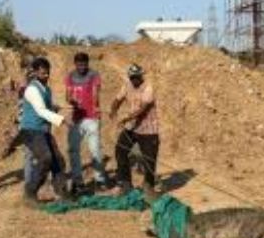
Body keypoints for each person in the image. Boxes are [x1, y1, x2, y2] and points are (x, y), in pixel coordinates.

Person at [19, 57, 71, 206]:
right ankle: (30, 192)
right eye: (42, 73)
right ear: (35, 73)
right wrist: (62, 119)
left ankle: (62, 193)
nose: (46, 76)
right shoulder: (32, 89)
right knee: (45, 158)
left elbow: (46, 107)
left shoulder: (46, 89)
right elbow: (41, 110)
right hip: (31, 130)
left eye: (47, 73)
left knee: (58, 161)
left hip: (42, 131)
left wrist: (56, 108)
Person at [108, 63, 160, 195]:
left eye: (136, 77)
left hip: (148, 129)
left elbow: (142, 110)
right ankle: (124, 183)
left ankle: (149, 186)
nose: (134, 80)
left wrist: (125, 118)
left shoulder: (148, 88)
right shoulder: (127, 85)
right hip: (132, 127)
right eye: (132, 77)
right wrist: (113, 110)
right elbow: (117, 100)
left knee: (149, 159)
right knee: (120, 150)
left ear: (141, 76)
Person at [65, 52, 107, 192]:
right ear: (75, 64)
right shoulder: (70, 76)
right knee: (73, 150)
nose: (81, 67)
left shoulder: (94, 75)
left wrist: (96, 108)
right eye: (79, 64)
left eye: (84, 64)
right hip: (76, 119)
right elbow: (68, 95)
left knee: (95, 149)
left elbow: (95, 93)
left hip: (91, 118)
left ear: (88, 64)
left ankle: (100, 180)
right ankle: (78, 180)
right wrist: (72, 101)